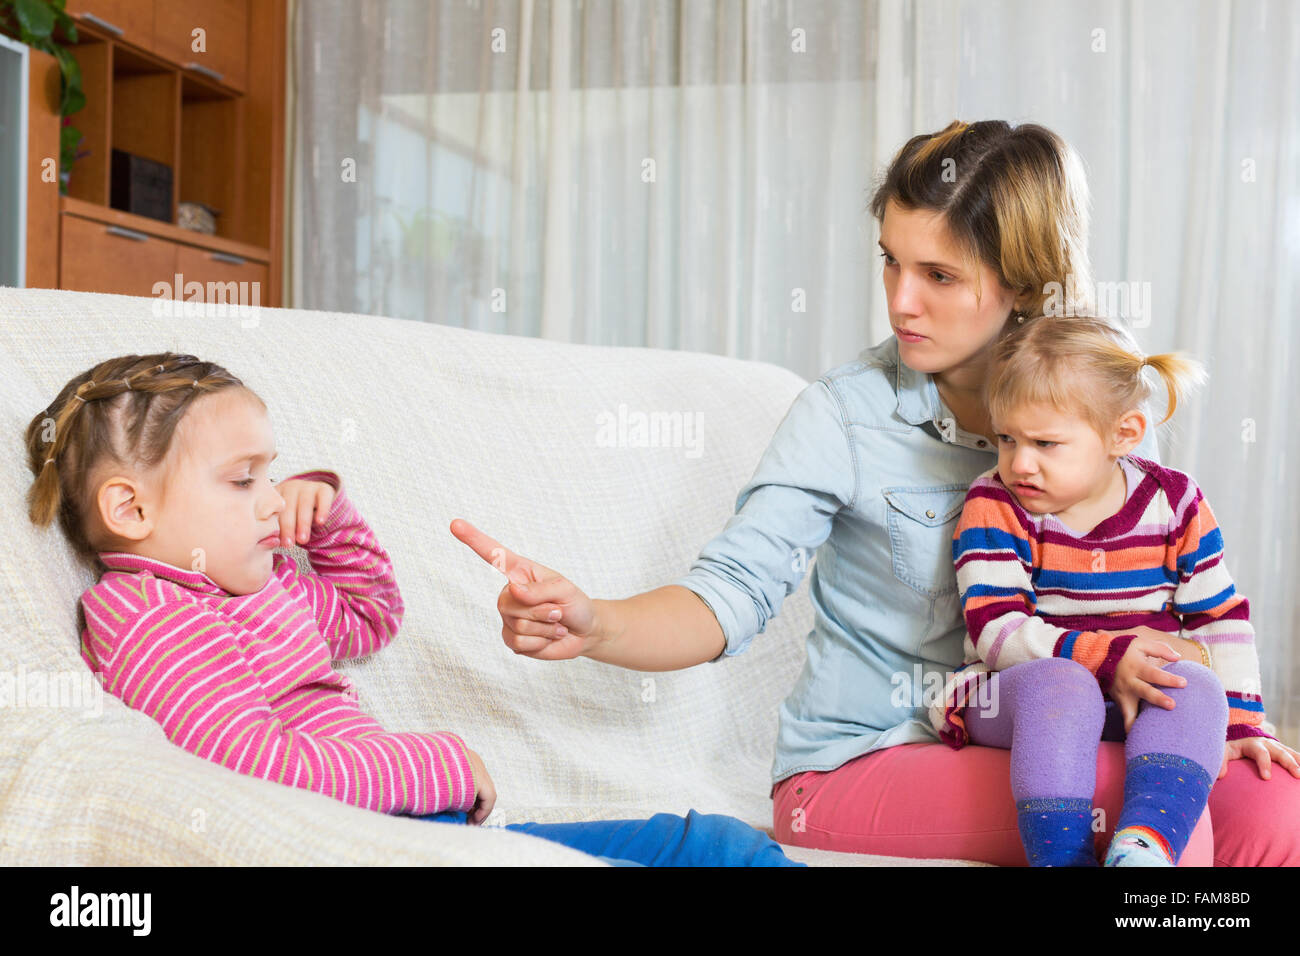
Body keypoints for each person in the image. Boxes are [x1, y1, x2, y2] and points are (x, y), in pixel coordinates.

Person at [451, 119, 1300, 866]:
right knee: (1155, 823)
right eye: (892, 262)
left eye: (940, 275)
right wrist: (596, 622)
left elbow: (1177, 594)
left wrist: (1233, 721)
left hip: (1069, 725)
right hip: (867, 756)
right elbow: (732, 590)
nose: (901, 301)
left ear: (1023, 282)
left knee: (1277, 812)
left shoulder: (1089, 402)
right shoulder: (845, 415)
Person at [23, 352, 803, 868]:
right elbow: (256, 770)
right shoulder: (150, 616)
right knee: (706, 853)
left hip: (414, 831)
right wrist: (440, 767)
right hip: (363, 844)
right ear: (129, 509)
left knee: (712, 846)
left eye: (270, 474)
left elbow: (371, 616)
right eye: (241, 480)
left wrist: (327, 518)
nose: (270, 500)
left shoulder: (262, 583)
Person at [932, 314, 1295, 866]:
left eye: (1045, 443)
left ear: (1122, 435)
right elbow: (997, 630)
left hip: (1136, 695)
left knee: (1196, 683)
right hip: (1018, 691)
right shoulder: (996, 503)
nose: (1019, 462)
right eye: (1007, 438)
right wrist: (1107, 657)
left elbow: (1219, 617)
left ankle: (1143, 847)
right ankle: (1061, 857)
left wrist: (1242, 722)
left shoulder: (1175, 501)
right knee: (1063, 684)